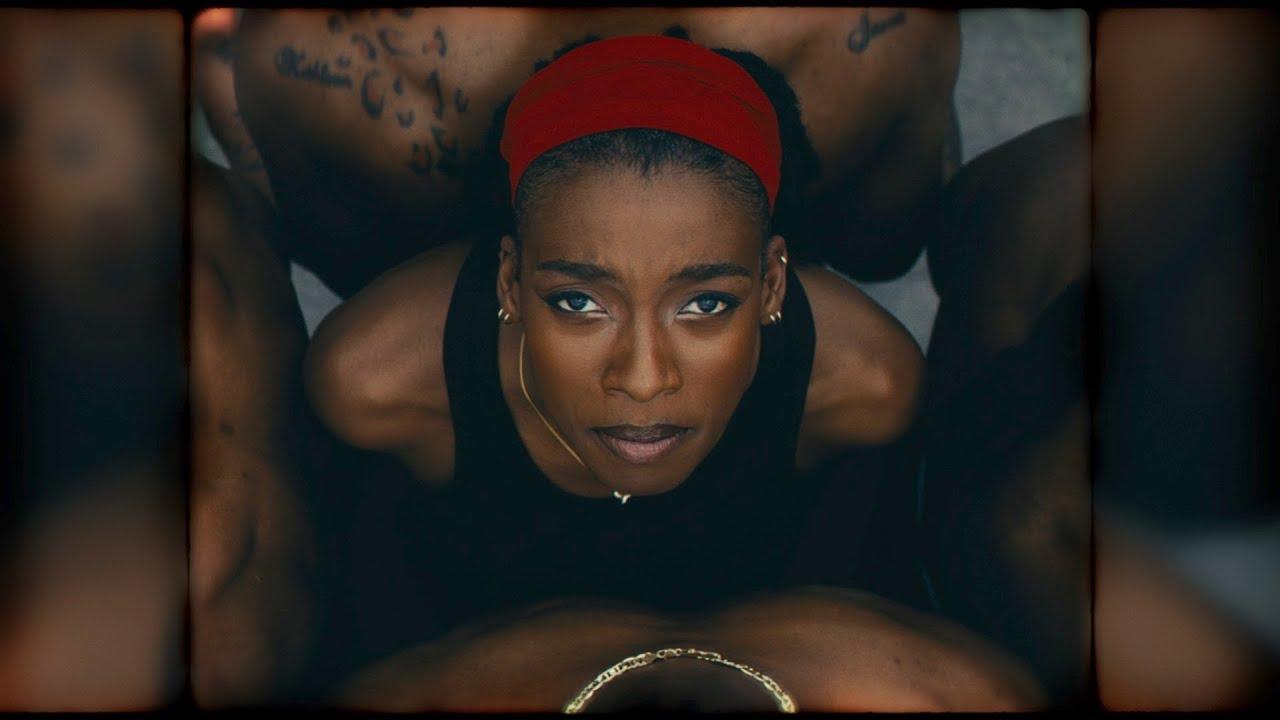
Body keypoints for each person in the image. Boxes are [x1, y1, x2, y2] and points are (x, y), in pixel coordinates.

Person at [303, 35, 925, 641]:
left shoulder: (862, 386)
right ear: (510, 282)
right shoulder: (378, 382)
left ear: (771, 285)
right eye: (579, 302)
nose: (644, 379)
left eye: (706, 304)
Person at [196, 7, 961, 299]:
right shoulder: (881, 25)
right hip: (770, 406)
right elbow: (886, 249)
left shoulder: (290, 46)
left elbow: (339, 264)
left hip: (435, 406)